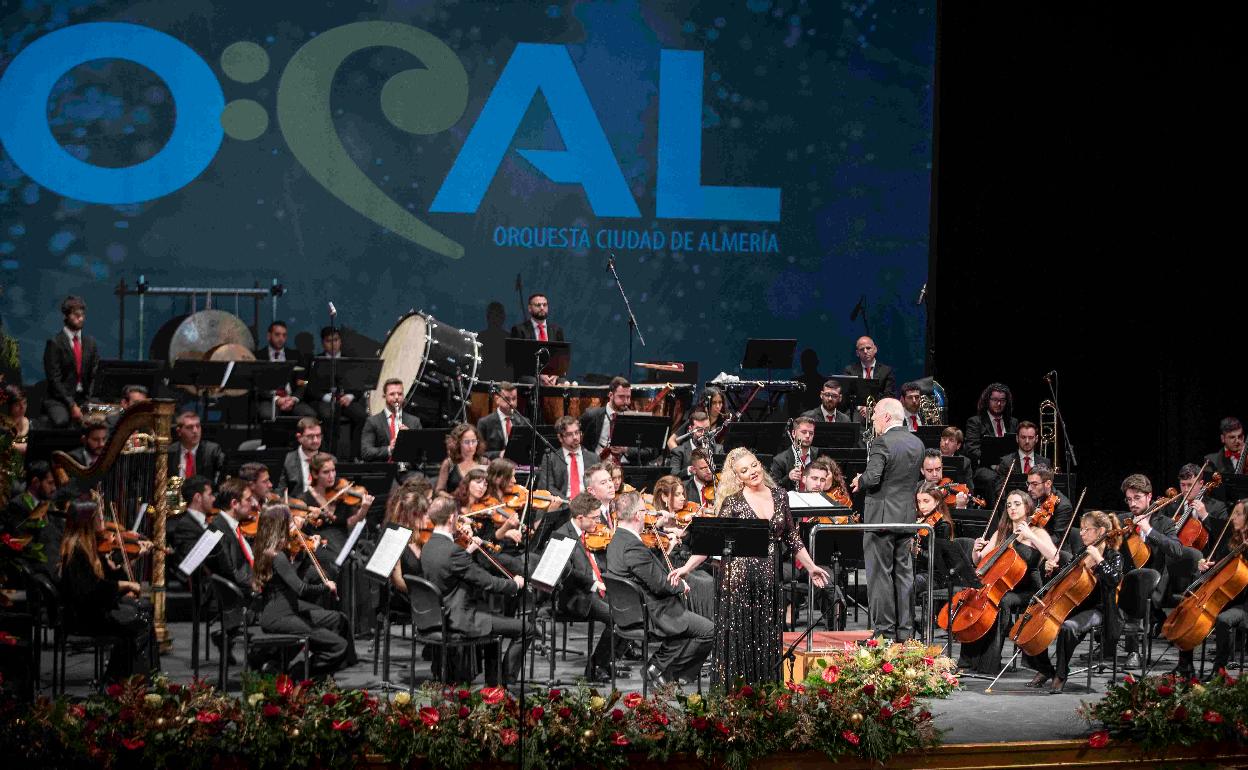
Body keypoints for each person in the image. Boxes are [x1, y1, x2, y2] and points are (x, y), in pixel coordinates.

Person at [670, 449, 828, 687]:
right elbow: (711, 543)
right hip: (739, 581)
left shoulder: (780, 495)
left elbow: (792, 537)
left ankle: (765, 695)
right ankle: (737, 697)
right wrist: (687, 568)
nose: (752, 472)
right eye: (744, 470)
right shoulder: (733, 502)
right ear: (738, 476)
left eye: (754, 465)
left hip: (768, 581)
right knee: (742, 639)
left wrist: (812, 566)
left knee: (765, 637)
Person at [607, 491, 715, 687]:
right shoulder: (632, 547)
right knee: (708, 630)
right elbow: (659, 585)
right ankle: (668, 673)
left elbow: (647, 571)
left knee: (688, 625)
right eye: (645, 510)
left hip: (633, 611)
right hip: (652, 614)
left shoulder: (617, 541)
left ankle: (656, 667)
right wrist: (682, 585)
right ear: (638, 515)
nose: (649, 515)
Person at [419, 496, 529, 685]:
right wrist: (515, 584)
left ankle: (494, 681)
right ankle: (505, 681)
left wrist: (468, 551)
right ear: (452, 518)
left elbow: (451, 569)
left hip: (437, 616)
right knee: (527, 629)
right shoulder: (453, 551)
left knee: (492, 617)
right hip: (460, 618)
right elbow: (487, 582)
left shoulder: (429, 546)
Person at [956, 490, 1059, 674]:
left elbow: (1054, 555)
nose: (1012, 508)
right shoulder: (1002, 532)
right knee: (978, 597)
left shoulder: (1037, 532)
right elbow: (981, 562)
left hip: (1027, 588)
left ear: (1027, 507)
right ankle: (968, 660)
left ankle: (990, 662)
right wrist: (975, 551)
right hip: (1002, 585)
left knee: (1002, 602)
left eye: (1017, 504)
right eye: (1009, 505)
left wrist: (1031, 536)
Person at [848, 397, 925, 641]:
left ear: (887, 417)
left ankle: (884, 634)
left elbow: (873, 478)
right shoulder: (917, 443)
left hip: (880, 520)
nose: (872, 420)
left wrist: (860, 480)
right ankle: (905, 632)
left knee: (880, 575)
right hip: (906, 519)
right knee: (904, 575)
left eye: (875, 416)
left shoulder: (882, 443)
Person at [58, 500, 158, 681]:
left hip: (93, 610)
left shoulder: (90, 546)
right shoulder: (76, 551)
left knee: (143, 610)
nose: (104, 520)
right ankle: (121, 680)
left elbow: (110, 580)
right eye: (100, 516)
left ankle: (138, 678)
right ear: (88, 522)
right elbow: (91, 590)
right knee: (139, 620)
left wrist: (128, 561)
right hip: (82, 617)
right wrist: (126, 586)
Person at [251, 505, 354, 678]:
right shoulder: (277, 555)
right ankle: (296, 675)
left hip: (287, 609)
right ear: (280, 525)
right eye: (289, 521)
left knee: (337, 620)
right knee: (339, 646)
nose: (294, 525)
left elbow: (293, 578)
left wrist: (304, 554)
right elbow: (301, 588)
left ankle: (320, 677)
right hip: (280, 616)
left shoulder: (272, 550)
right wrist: (326, 587)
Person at [1026, 510, 1124, 693]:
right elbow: (1065, 580)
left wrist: (1098, 558)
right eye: (1082, 529)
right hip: (1074, 604)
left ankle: (1061, 674)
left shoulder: (1113, 556)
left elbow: (1114, 579)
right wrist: (1049, 570)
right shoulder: (1081, 553)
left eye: (1087, 529)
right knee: (1032, 625)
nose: (1081, 533)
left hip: (1098, 609)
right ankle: (1046, 669)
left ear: (1101, 531)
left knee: (1068, 627)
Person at [1174, 500, 1248, 678]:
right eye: (1234, 513)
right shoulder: (1231, 538)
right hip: (1221, 595)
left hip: (1242, 603)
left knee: (1223, 620)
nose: (1233, 517)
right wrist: (1204, 564)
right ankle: (1185, 666)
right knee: (1188, 608)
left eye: (1238, 514)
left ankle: (1219, 670)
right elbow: (1214, 561)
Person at [545, 492, 615, 680]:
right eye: (594, 518)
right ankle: (595, 667)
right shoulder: (561, 535)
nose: (598, 521)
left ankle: (606, 663)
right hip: (575, 596)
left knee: (631, 613)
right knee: (616, 619)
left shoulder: (587, 532)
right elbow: (566, 574)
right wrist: (593, 584)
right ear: (580, 517)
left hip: (595, 589)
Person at [651, 474, 715, 619]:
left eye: (683, 494)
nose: (683, 499)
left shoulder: (689, 515)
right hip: (670, 568)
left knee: (712, 578)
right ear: (664, 497)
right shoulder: (655, 521)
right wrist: (666, 532)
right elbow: (655, 557)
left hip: (691, 565)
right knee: (707, 583)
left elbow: (703, 546)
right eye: (677, 495)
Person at [304, 326, 369, 458]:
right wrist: (327, 397)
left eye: (336, 340)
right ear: (323, 343)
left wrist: (350, 396)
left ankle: (354, 456)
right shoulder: (317, 361)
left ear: (340, 341)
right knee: (328, 416)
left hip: (346, 400)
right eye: (329, 341)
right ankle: (327, 456)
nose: (333, 344)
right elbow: (311, 388)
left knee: (362, 416)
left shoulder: (350, 360)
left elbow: (359, 385)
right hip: (326, 401)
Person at [302, 452, 374, 557]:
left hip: (343, 541)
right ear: (315, 474)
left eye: (333, 470)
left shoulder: (342, 492)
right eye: (326, 472)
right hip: (322, 546)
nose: (332, 476)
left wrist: (364, 509)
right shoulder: (305, 499)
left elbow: (350, 523)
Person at [42, 295, 99, 427]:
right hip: (60, 399)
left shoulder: (90, 343)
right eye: (76, 314)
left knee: (104, 419)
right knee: (62, 421)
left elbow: (94, 374)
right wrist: (72, 405)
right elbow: (54, 380)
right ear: (66, 316)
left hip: (84, 397)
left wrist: (88, 401)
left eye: (82, 314)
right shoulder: (55, 343)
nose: (80, 318)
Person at [254, 321, 315, 421]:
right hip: (269, 399)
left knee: (309, 414)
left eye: (284, 335)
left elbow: (303, 381)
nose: (281, 338)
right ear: (269, 336)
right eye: (277, 334)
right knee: (267, 415)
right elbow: (257, 384)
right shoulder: (259, 356)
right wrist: (277, 399)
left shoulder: (295, 356)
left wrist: (294, 399)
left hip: (291, 398)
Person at [1166, 463, 1228, 557]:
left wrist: (1205, 516)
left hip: (1205, 559)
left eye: (1190, 485)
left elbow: (1225, 537)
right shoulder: (1173, 506)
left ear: (1201, 483)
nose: (1186, 490)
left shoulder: (1217, 507)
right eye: (1183, 485)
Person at [580, 376, 641, 464]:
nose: (626, 402)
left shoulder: (634, 418)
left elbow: (648, 451)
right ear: (610, 395)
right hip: (597, 467)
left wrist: (626, 450)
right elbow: (579, 442)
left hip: (625, 467)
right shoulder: (591, 415)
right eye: (621, 397)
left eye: (628, 397)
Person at [509, 293, 565, 387]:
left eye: (545, 305)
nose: (542, 308)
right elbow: (517, 361)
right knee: (533, 382)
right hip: (529, 376)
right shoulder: (519, 330)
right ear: (530, 308)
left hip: (552, 375)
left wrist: (555, 375)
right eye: (538, 305)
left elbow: (562, 359)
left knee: (564, 383)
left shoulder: (556, 330)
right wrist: (539, 375)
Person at [360, 378, 422, 462]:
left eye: (400, 394)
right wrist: (389, 449)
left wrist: (410, 439)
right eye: (392, 394)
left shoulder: (414, 421)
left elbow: (422, 453)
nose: (396, 397)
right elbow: (366, 452)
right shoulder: (372, 422)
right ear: (384, 396)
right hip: (383, 471)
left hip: (409, 471)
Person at [533, 415, 592, 500]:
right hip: (563, 505)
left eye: (577, 432)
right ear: (560, 438)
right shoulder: (550, 458)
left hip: (588, 505)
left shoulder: (593, 458)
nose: (575, 437)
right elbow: (547, 487)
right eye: (569, 434)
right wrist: (567, 502)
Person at [963, 383, 1018, 468]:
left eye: (1002, 400)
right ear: (987, 400)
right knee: (994, 479)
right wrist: (993, 464)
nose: (999, 404)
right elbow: (971, 449)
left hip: (1009, 467)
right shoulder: (975, 422)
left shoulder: (1013, 422)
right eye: (995, 400)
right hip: (984, 467)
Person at [168, 410, 226, 485]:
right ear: (179, 431)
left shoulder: (212, 451)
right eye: (189, 427)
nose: (195, 431)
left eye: (198, 426)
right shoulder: (170, 451)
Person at [1026, 467, 1075, 545]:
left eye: (1034, 484)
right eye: (1028, 483)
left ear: (1048, 484)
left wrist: (1030, 542)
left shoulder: (1063, 506)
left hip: (1054, 552)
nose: (1029, 489)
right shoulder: (1032, 498)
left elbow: (1057, 539)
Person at [476, 381, 525, 459]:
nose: (512, 403)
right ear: (496, 399)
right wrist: (499, 454)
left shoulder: (524, 422)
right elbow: (479, 454)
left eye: (514, 399)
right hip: (494, 466)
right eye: (507, 399)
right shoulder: (484, 423)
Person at [435, 423, 487, 494]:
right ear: (458, 443)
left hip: (480, 504)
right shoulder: (449, 463)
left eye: (474, 441)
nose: (471, 446)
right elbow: (439, 491)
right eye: (466, 442)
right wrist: (455, 500)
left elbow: (490, 488)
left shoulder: (484, 462)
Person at [770, 416, 819, 492]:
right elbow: (772, 488)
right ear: (793, 433)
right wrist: (788, 477)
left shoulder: (818, 455)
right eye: (803, 432)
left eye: (811, 433)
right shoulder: (779, 460)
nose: (807, 436)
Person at [277, 417, 322, 497]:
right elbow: (280, 493)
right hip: (297, 507)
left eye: (318, 436)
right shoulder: (287, 460)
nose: (316, 440)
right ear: (299, 438)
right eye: (310, 436)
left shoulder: (329, 460)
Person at [842, 336, 896, 403]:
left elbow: (888, 395)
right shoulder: (849, 371)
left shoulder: (886, 371)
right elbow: (847, 395)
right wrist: (860, 407)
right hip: (857, 409)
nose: (865, 351)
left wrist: (871, 406)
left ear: (875, 349)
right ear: (857, 353)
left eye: (868, 348)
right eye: (862, 349)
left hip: (879, 408)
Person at [667, 409, 715, 476]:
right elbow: (673, 475)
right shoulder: (679, 452)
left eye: (706, 429)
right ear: (690, 429)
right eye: (699, 430)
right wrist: (688, 470)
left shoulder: (716, 449)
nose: (703, 434)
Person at [1, 384, 31, 457]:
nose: (22, 407)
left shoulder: (32, 424)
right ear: (9, 406)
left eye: (24, 403)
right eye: (17, 404)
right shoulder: (2, 425)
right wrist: (15, 447)